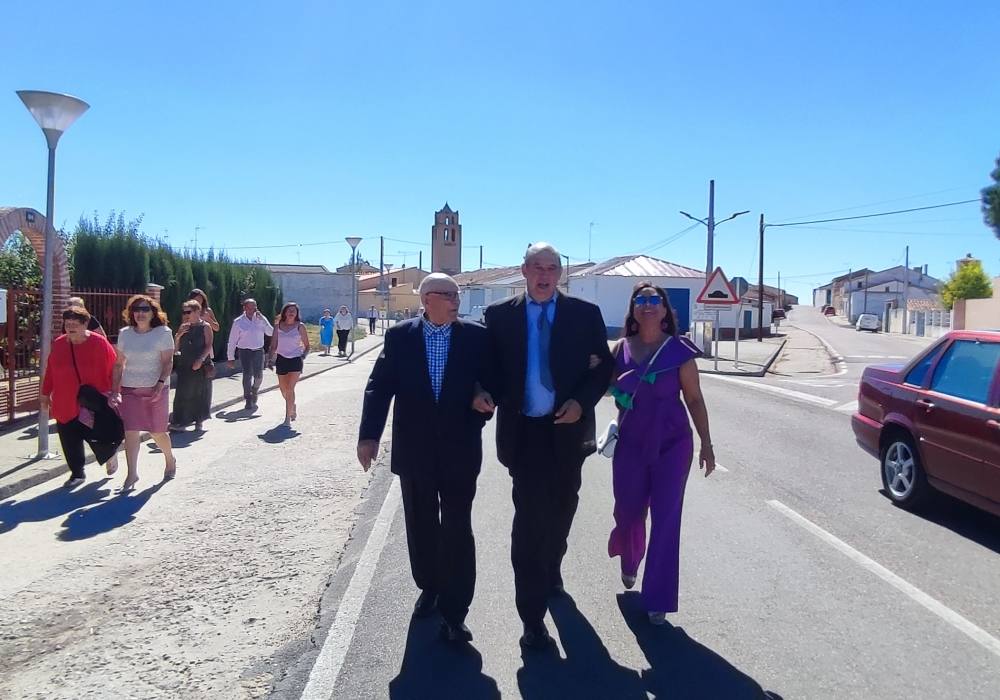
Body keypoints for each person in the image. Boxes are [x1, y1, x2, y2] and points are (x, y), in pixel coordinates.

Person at [473, 242, 614, 649]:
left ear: (560, 274)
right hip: (525, 433)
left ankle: (551, 566)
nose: (545, 274)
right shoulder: (499, 316)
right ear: (524, 270)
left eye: (552, 267)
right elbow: (490, 369)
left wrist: (581, 401)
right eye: (538, 266)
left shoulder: (584, 315)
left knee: (563, 509)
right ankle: (531, 616)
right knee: (530, 521)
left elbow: (602, 366)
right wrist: (480, 390)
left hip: (569, 431)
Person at [359, 273, 492, 643]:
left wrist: (481, 399)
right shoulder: (401, 337)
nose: (457, 301)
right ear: (428, 299)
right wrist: (369, 436)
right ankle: (430, 586)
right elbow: (380, 386)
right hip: (414, 450)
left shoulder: (476, 337)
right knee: (421, 525)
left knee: (457, 529)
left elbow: (490, 379)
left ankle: (455, 611)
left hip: (460, 449)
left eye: (458, 294)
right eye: (449, 295)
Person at [607, 283, 715, 624]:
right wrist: (617, 393)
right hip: (631, 443)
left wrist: (707, 444)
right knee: (628, 512)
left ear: (666, 310)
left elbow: (695, 399)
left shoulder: (679, 352)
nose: (648, 305)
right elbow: (607, 385)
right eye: (641, 299)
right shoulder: (620, 348)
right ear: (633, 309)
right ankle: (630, 557)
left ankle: (658, 598)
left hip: (672, 444)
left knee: (667, 519)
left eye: (655, 300)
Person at [41, 306, 123, 488]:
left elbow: (114, 368)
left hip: (92, 401)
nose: (70, 327)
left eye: (75, 324)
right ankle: (77, 473)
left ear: (85, 324)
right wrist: (45, 393)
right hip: (65, 401)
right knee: (69, 437)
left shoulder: (99, 343)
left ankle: (110, 453)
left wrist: (115, 392)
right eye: (67, 323)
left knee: (100, 435)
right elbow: (51, 371)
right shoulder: (60, 344)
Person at [114, 295, 177, 490]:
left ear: (153, 313)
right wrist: (114, 389)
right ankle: (132, 474)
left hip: (155, 389)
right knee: (130, 432)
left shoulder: (163, 333)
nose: (140, 313)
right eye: (136, 309)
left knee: (157, 431)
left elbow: (168, 362)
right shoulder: (125, 334)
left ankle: (170, 459)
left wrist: (159, 384)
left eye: (145, 309)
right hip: (130, 389)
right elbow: (118, 364)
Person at [170, 299, 214, 432]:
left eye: (188, 312)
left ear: (197, 312)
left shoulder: (205, 327)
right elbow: (175, 348)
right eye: (184, 312)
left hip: (199, 365)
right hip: (185, 364)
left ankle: (198, 421)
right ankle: (180, 421)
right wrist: (178, 335)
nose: (185, 315)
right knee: (182, 393)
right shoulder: (184, 326)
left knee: (199, 393)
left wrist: (200, 360)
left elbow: (208, 346)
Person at [227, 298, 274, 411]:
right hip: (244, 351)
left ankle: (255, 389)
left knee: (258, 376)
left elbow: (271, 332)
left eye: (254, 307)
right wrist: (230, 357)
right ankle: (248, 398)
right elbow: (232, 340)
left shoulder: (261, 320)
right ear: (245, 308)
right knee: (247, 374)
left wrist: (263, 319)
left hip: (258, 350)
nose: (253, 310)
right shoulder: (238, 322)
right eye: (250, 307)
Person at [268, 302, 310, 426]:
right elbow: (273, 345)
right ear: (285, 312)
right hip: (281, 359)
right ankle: (292, 405)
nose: (291, 312)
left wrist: (303, 355)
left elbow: (307, 346)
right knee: (283, 389)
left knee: (290, 388)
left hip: (296, 360)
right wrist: (270, 359)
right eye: (289, 310)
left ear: (297, 314)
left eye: (294, 311)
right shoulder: (278, 326)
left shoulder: (300, 326)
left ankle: (287, 418)